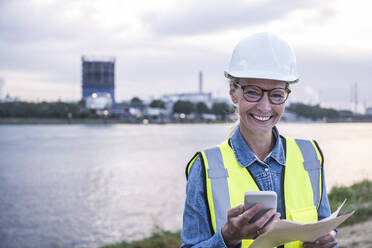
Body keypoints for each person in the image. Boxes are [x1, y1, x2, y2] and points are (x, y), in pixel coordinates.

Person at [181, 32, 337, 248]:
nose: (265, 107)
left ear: (286, 95)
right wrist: (227, 238)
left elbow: (327, 233)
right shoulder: (205, 168)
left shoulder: (310, 157)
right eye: (253, 92)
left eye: (275, 94)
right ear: (233, 93)